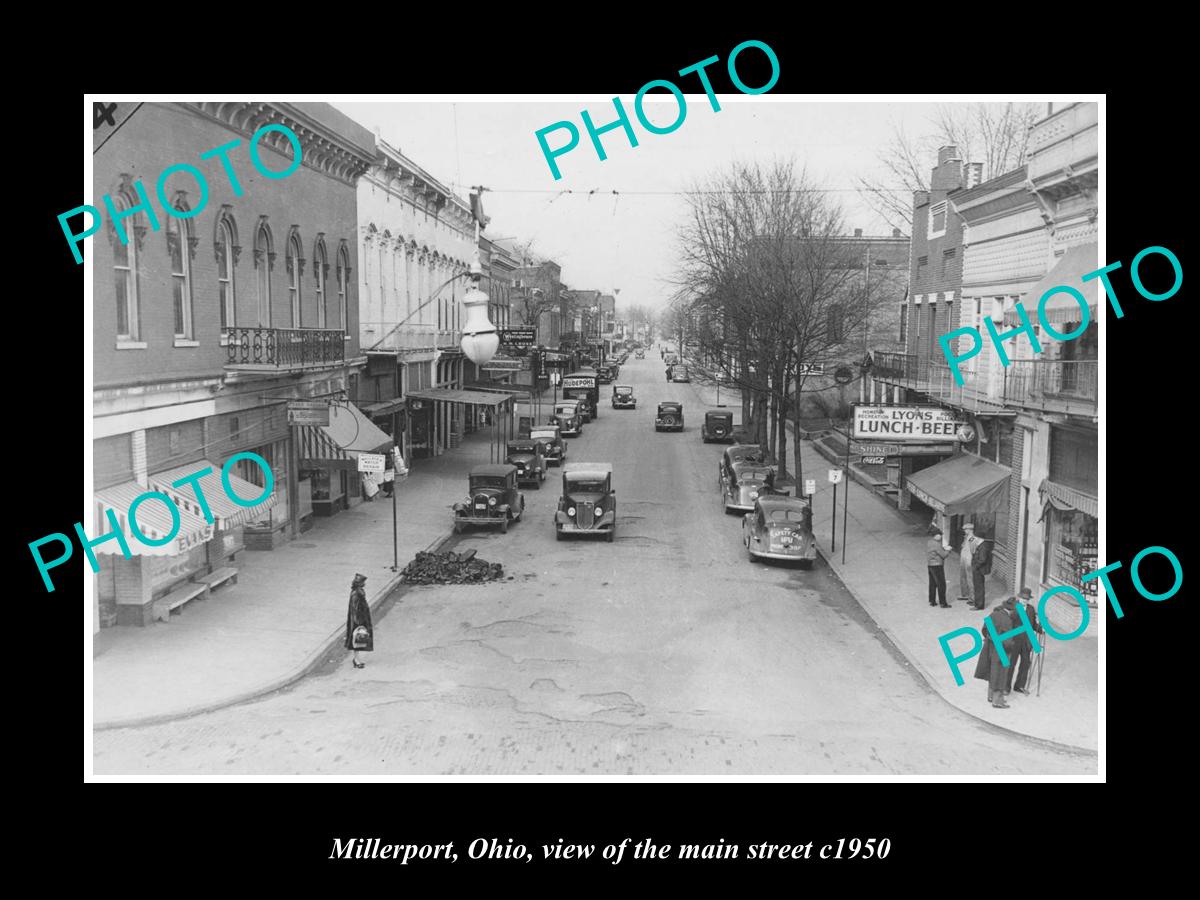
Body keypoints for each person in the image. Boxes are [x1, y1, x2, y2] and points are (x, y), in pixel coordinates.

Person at [973, 600, 1018, 708]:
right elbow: (1007, 642)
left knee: (992, 671)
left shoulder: (993, 614)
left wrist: (990, 639)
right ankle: (997, 701)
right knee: (1000, 674)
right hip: (1001, 651)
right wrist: (1012, 645)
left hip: (990, 647)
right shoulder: (1007, 621)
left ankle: (990, 696)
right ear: (1011, 610)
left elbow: (984, 629)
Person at [1008, 587, 1044, 695]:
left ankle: (1019, 686)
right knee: (1010, 664)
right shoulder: (1013, 608)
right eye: (1023, 598)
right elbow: (1008, 624)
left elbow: (1032, 625)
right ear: (1019, 597)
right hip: (1014, 641)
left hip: (1026, 641)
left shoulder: (1031, 609)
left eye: (1027, 599)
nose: (1025, 600)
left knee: (1025, 663)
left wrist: (1041, 629)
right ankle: (1006, 686)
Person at [344, 573, 373, 669]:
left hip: (360, 618)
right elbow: (355, 608)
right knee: (357, 639)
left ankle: (357, 659)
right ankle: (356, 660)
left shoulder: (358, 592)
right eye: (364, 582)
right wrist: (359, 622)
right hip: (358, 620)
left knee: (358, 640)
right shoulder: (356, 593)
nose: (365, 584)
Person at [927, 526, 951, 608]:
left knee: (932, 584)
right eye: (940, 535)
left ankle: (932, 601)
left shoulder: (930, 542)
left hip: (930, 565)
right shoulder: (937, 544)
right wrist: (948, 550)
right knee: (941, 584)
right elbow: (943, 555)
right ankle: (943, 603)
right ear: (936, 535)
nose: (941, 536)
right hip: (937, 565)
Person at [970, 531, 993, 610]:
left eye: (975, 537)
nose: (974, 539)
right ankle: (977, 602)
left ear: (979, 538)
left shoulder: (983, 546)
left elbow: (982, 559)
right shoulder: (981, 545)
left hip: (979, 569)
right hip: (978, 569)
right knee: (977, 586)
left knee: (979, 587)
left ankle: (979, 605)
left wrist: (975, 566)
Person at [958, 524, 977, 604]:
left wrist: (970, 561)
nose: (964, 531)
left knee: (970, 578)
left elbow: (973, 550)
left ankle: (972, 597)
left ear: (970, 529)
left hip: (968, 559)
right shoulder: (967, 538)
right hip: (963, 558)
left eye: (965, 530)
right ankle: (964, 594)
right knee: (963, 576)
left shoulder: (972, 538)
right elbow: (963, 546)